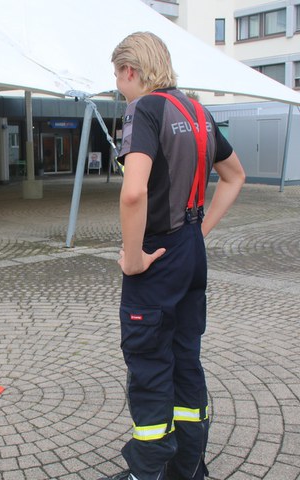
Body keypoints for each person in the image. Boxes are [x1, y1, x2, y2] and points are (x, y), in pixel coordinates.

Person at [101, 32, 246, 480]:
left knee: (149, 363)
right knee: (186, 358)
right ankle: (188, 468)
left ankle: (145, 471)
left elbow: (134, 192)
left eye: (117, 77)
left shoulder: (143, 108)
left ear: (131, 70)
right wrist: (198, 229)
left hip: (158, 255)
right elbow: (235, 176)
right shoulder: (197, 111)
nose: (119, 88)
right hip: (190, 251)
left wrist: (132, 257)